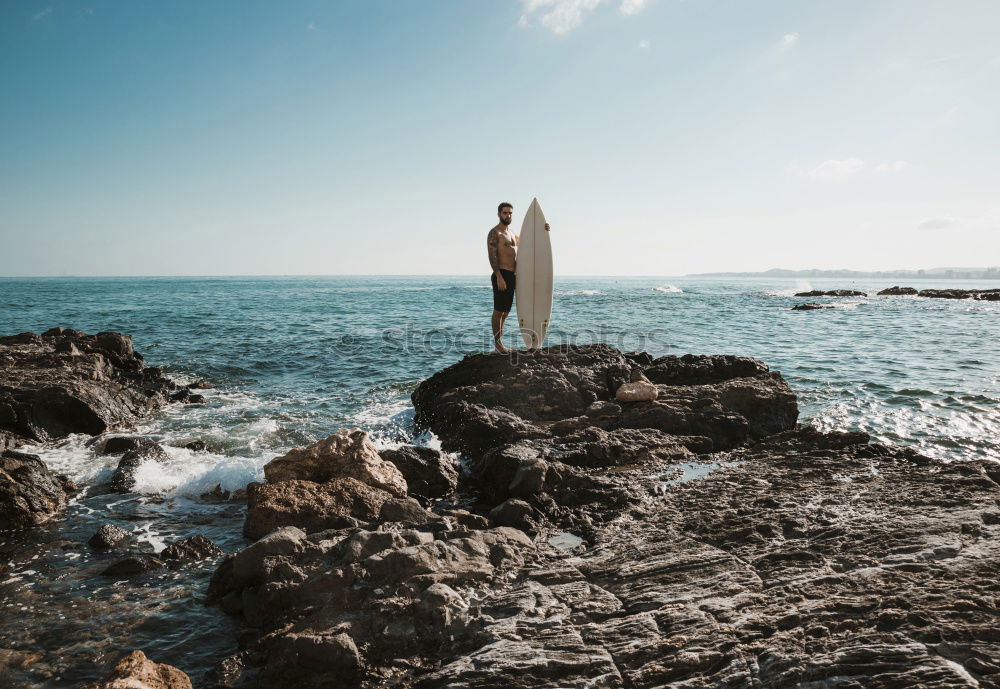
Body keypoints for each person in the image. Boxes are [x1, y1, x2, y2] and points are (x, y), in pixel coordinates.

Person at [487, 201, 549, 353]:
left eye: (510, 213)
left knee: (506, 312)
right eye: (505, 213)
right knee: (498, 310)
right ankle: (498, 344)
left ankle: (499, 344)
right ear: (499, 214)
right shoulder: (495, 233)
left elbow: (528, 242)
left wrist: (544, 230)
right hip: (501, 273)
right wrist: (498, 276)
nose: (508, 215)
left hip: (512, 275)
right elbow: (492, 256)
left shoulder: (511, 233)